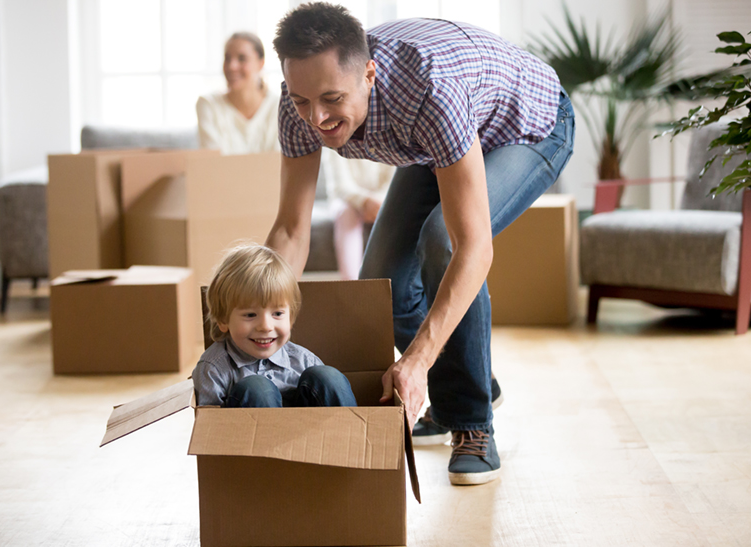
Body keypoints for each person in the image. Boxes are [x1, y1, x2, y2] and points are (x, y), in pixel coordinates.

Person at [265, 3, 575, 485]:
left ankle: (472, 423)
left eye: (331, 98)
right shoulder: (297, 104)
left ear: (369, 74)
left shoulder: (429, 90)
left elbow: (472, 246)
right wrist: (260, 310)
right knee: (381, 283)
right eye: (303, 101)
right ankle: (470, 382)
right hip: (439, 145)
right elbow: (290, 230)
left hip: (528, 125)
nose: (317, 118)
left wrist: (417, 360)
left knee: (442, 240)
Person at [192, 244, 357, 408]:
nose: (265, 326)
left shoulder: (304, 361)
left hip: (311, 432)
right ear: (223, 320)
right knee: (257, 389)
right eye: (250, 315)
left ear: (291, 319)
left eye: (277, 314)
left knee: (327, 377)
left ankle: (352, 432)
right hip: (246, 433)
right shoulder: (213, 369)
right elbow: (207, 424)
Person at [196, 32, 280, 154]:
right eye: (227, 58)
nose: (232, 66)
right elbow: (212, 165)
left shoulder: (279, 107)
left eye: (242, 58)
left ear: (260, 63)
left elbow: (279, 164)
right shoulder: (208, 105)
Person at [321, 149, 395, 280]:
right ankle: (352, 284)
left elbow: (394, 182)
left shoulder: (392, 139)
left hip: (382, 201)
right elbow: (341, 187)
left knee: (396, 211)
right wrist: (364, 202)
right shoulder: (334, 140)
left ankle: (392, 282)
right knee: (346, 212)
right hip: (348, 201)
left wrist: (377, 204)